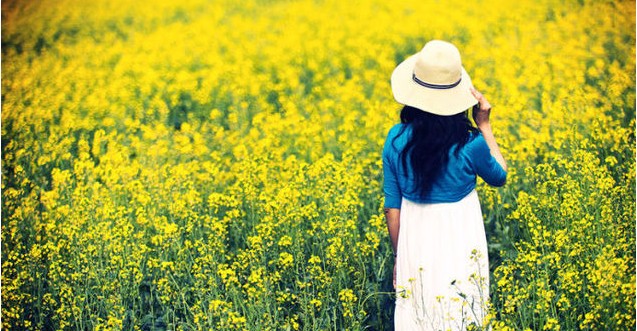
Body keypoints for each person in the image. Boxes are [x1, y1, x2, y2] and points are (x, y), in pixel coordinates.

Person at [383, 40, 507, 330]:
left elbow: (392, 208)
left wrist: (400, 257)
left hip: (416, 239)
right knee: (462, 307)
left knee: (419, 306)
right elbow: (499, 175)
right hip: (460, 236)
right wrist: (485, 125)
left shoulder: (395, 139)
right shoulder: (471, 144)